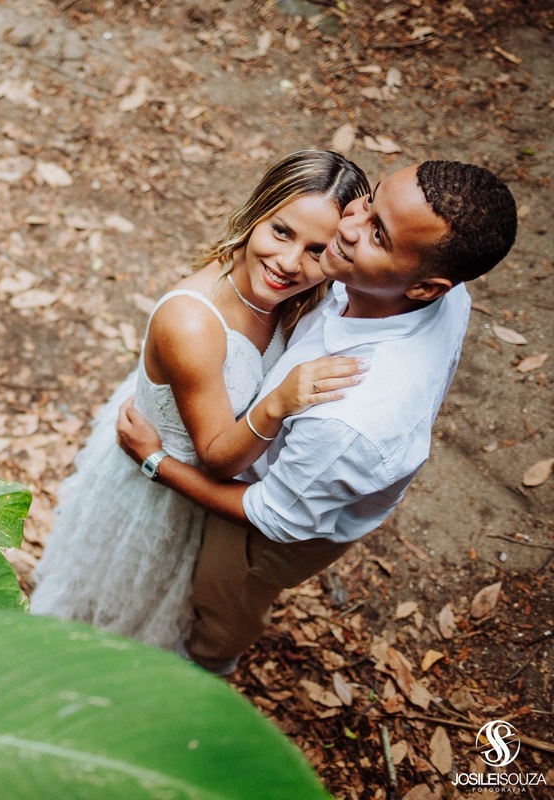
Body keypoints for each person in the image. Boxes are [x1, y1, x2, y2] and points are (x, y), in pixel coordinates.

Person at [116, 160, 518, 674]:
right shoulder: (402, 285)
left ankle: (197, 675)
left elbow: (275, 516)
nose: (345, 229)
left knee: (221, 606)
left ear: (425, 288)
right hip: (263, 456)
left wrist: (155, 462)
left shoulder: (349, 419)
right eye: (370, 202)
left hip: (258, 523)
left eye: (377, 233)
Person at [28, 150, 370, 650]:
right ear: (256, 215)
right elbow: (214, 458)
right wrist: (277, 402)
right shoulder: (192, 323)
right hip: (161, 488)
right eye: (280, 231)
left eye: (317, 250)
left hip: (201, 491)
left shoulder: (288, 295)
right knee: (111, 613)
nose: (290, 263)